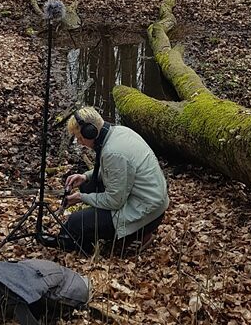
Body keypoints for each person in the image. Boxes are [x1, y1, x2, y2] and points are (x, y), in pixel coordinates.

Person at [55, 106, 169, 254]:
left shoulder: (112, 152)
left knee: (75, 223)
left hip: (147, 214)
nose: (80, 142)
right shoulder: (119, 132)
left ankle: (138, 235)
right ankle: (130, 234)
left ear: (90, 132)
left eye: (80, 138)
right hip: (154, 205)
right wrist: (85, 177)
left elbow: (115, 201)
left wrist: (81, 197)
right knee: (88, 185)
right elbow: (115, 170)